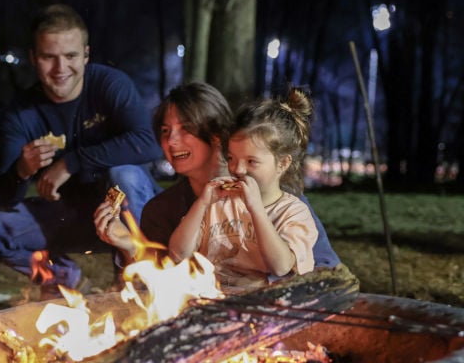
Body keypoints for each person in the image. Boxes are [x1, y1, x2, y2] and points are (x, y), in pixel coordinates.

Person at [0, 4, 162, 293]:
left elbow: (147, 144)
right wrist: (22, 171)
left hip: (123, 208)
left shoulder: (109, 84)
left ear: (85, 55)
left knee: (125, 174)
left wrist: (71, 162)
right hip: (70, 215)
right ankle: (65, 281)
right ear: (34, 59)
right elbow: (3, 197)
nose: (61, 69)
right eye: (49, 57)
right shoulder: (21, 113)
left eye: (70, 56)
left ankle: (140, 280)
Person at [95, 82, 340, 289]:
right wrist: (130, 244)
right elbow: (161, 277)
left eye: (186, 129)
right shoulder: (163, 209)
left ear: (217, 135)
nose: (171, 141)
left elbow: (325, 269)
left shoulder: (282, 200)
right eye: (165, 130)